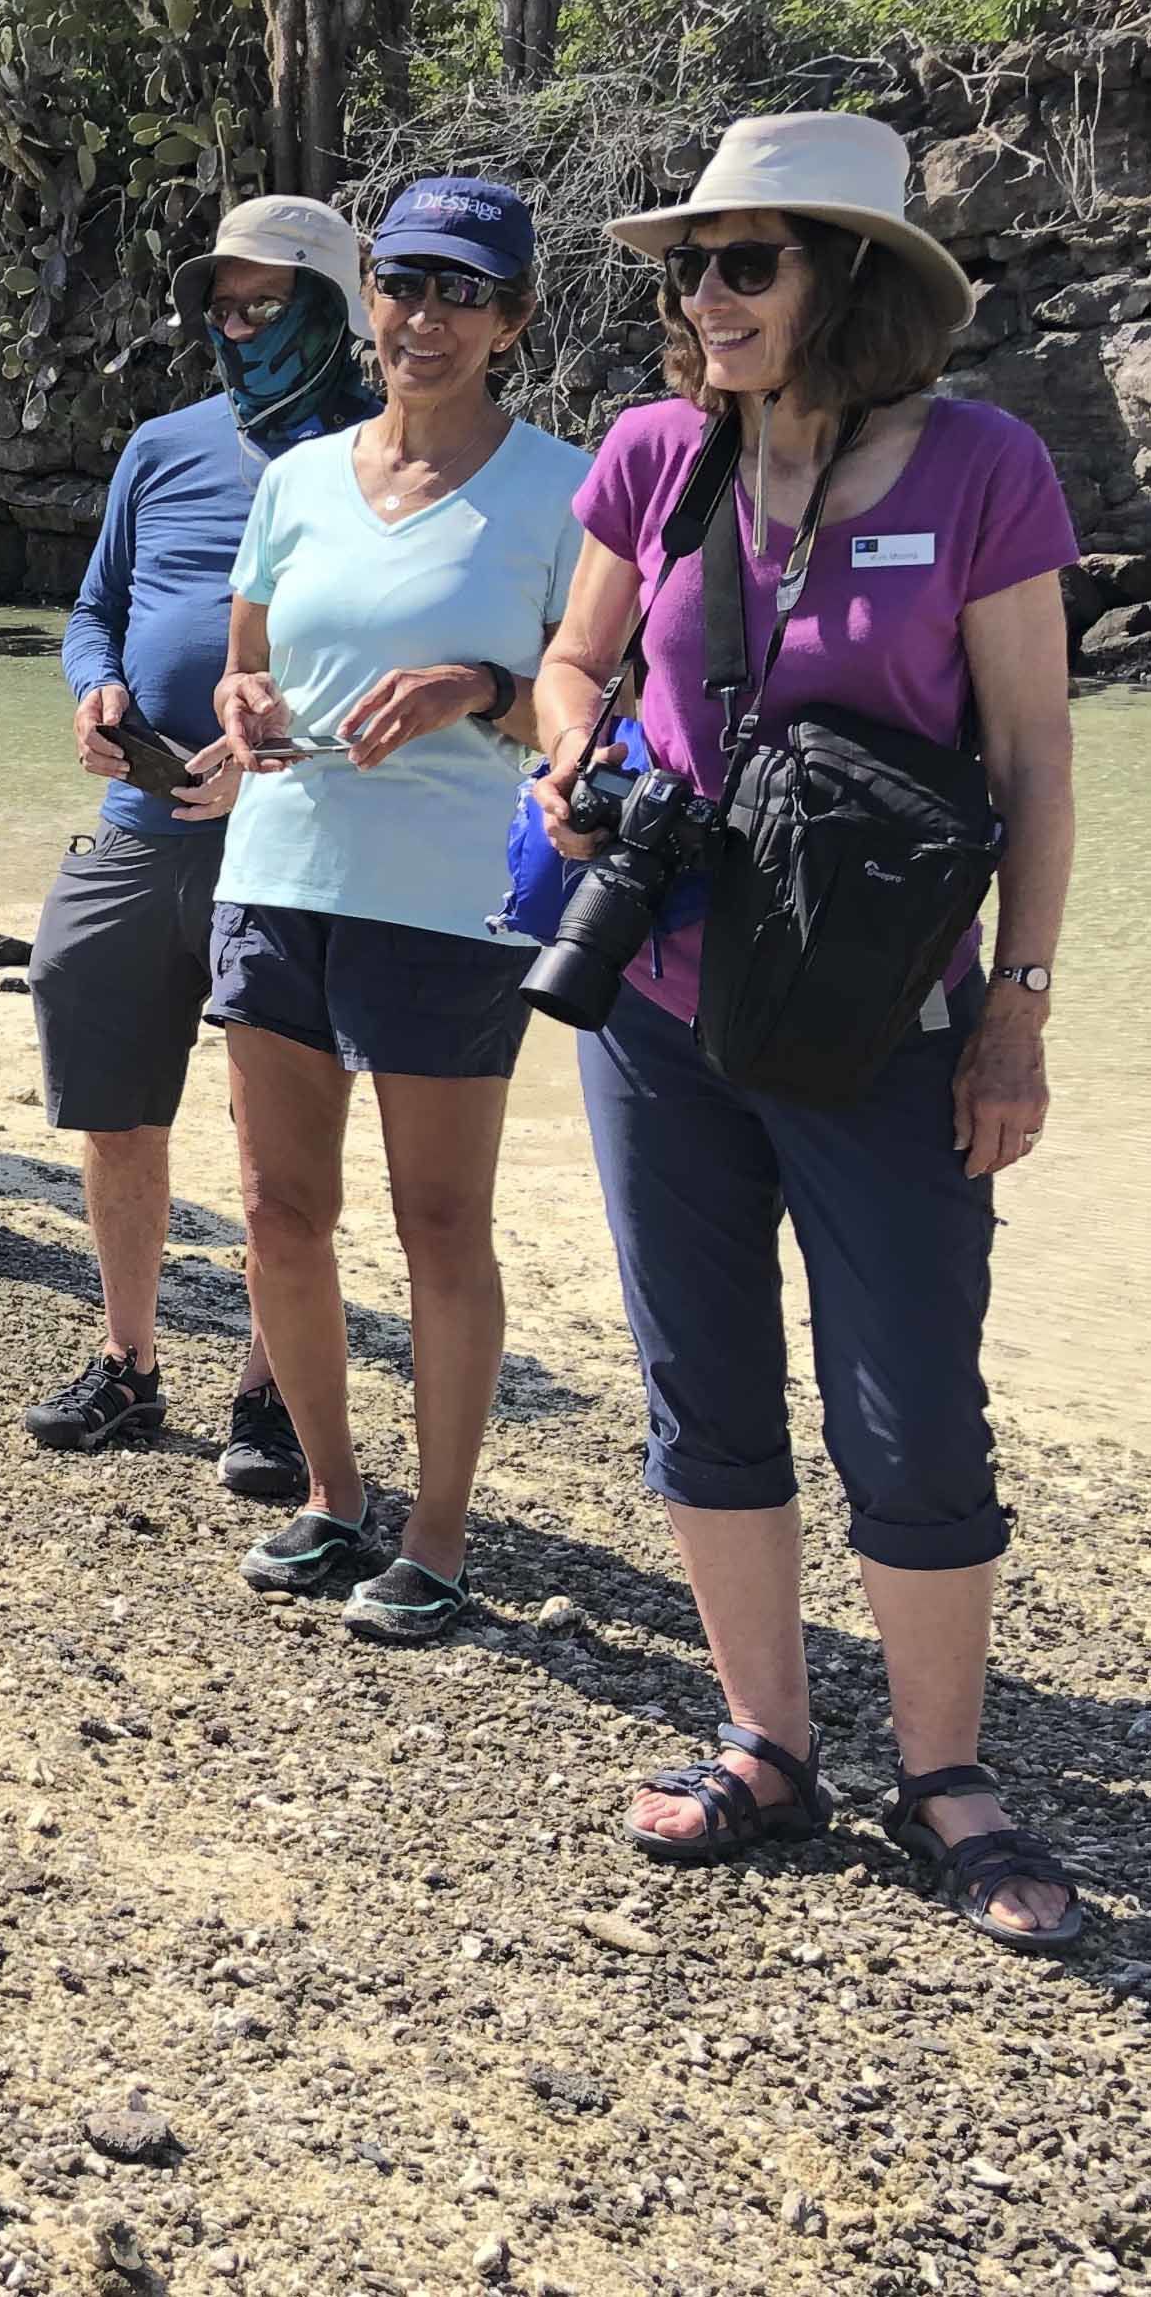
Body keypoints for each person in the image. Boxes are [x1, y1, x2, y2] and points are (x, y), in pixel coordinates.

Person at [530, 113, 1083, 1949]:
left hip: (886, 1021)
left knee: (908, 1401)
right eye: (689, 266)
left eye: (744, 262)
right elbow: (572, 662)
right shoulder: (652, 452)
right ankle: (765, 1741)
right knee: (700, 1377)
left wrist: (1015, 1011)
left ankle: (945, 1777)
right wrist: (568, 764)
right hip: (661, 1007)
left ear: (844, 278)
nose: (704, 296)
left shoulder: (985, 466)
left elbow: (1032, 759)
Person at [191, 178, 588, 1642]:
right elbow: (246, 662)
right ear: (367, 299)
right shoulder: (296, 479)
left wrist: (475, 688)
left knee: (439, 1222)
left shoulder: (567, 489)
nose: (426, 317)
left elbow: (587, 705)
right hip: (278, 873)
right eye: (403, 284)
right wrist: (239, 704)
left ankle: (438, 1531)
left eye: (462, 292)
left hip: (451, 901)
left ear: (512, 321)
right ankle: (332, 1493)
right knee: (277, 1210)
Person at [25, 197, 380, 1493]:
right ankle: (128, 1360)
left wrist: (277, 750)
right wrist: (95, 692)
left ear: (332, 309)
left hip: (300, 838)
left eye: (263, 303)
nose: (236, 328)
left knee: (274, 1145)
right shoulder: (161, 444)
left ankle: (269, 1390)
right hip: (138, 829)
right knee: (114, 1109)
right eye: (221, 307)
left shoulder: (385, 456)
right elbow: (95, 609)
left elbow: (406, 657)